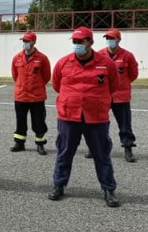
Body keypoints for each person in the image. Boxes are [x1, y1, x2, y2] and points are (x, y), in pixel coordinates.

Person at [49, 27, 121, 207]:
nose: (77, 45)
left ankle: (108, 189)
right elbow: (57, 85)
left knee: (101, 154)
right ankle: (59, 185)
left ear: (90, 42)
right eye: (74, 42)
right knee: (64, 152)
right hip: (69, 115)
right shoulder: (63, 63)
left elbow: (113, 86)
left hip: (95, 117)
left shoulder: (105, 63)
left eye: (80, 42)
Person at [96, 28, 139, 163]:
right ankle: (95, 148)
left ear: (118, 40)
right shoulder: (99, 55)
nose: (109, 41)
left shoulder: (127, 56)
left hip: (121, 96)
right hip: (104, 95)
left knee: (125, 125)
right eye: (107, 38)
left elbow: (133, 74)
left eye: (112, 38)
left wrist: (122, 84)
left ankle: (128, 148)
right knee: (98, 123)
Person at [10, 31, 51, 155]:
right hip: (21, 96)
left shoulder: (42, 58)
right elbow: (15, 75)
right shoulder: (17, 57)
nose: (25, 43)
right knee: (20, 121)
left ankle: (40, 144)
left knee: (39, 121)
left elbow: (46, 77)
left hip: (36, 97)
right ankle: (19, 143)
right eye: (24, 41)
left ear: (33, 42)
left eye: (27, 41)